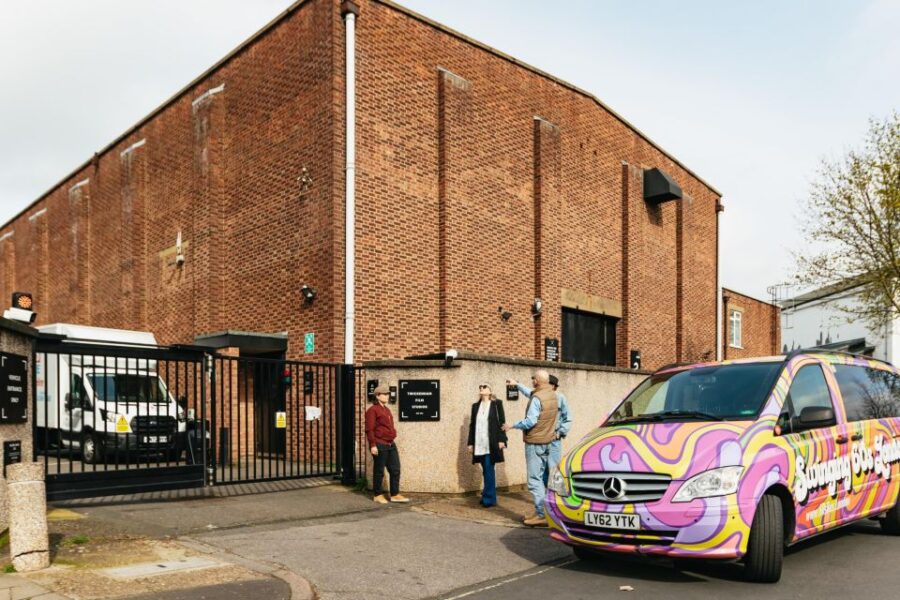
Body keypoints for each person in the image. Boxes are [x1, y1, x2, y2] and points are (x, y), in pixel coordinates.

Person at [502, 370, 558, 527]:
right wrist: (517, 385)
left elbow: (530, 421)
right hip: (547, 441)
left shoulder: (537, 397)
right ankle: (543, 510)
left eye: (533, 379)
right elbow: (532, 394)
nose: (532, 381)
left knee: (534, 480)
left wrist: (512, 425)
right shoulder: (552, 395)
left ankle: (542, 515)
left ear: (537, 381)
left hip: (535, 442)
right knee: (541, 478)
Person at [508, 373, 571, 481]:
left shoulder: (560, 398)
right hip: (542, 437)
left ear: (552, 386)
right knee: (541, 467)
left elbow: (568, 418)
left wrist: (560, 432)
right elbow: (529, 392)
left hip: (554, 439)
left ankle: (556, 495)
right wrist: (517, 384)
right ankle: (545, 494)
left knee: (553, 468)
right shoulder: (540, 395)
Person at [365, 384, 409, 504]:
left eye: (388, 394)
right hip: (379, 444)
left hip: (390, 444)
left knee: (395, 469)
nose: (387, 396)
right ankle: (377, 494)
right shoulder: (372, 410)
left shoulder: (387, 410)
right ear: (378, 396)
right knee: (379, 470)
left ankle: (394, 494)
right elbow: (369, 429)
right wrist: (373, 445)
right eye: (385, 394)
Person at [467, 383, 507, 507]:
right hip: (479, 443)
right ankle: (488, 495)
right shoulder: (475, 406)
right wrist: (470, 443)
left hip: (492, 442)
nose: (481, 388)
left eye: (484, 386)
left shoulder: (497, 404)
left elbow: (502, 422)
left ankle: (488, 499)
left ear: (490, 391)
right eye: (480, 387)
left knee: (489, 469)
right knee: (485, 469)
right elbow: (472, 425)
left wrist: (502, 440)